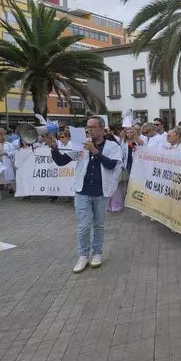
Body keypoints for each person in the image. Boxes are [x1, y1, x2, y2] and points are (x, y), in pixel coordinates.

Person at [49, 117, 123, 273]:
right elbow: (62, 161)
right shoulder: (81, 145)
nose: (89, 130)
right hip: (82, 191)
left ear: (102, 128)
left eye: (93, 127)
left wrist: (95, 151)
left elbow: (112, 165)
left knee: (98, 225)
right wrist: (54, 148)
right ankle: (83, 256)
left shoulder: (112, 146)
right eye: (88, 127)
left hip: (101, 192)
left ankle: (97, 253)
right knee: (83, 226)